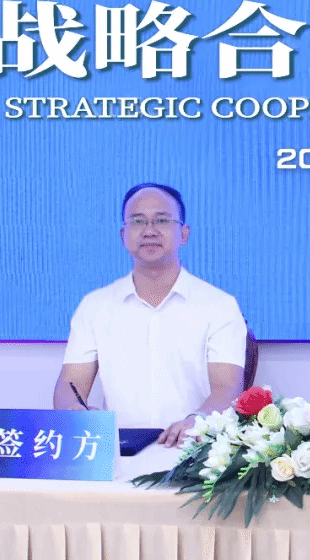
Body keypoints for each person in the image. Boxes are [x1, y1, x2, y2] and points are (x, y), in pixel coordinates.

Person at [53, 183, 248, 447]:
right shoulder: (94, 306)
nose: (149, 231)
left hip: (192, 450)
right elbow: (70, 384)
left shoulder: (219, 306)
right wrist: (74, 412)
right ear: (123, 235)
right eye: (137, 221)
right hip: (117, 450)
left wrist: (197, 421)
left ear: (184, 234)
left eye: (162, 220)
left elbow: (228, 388)